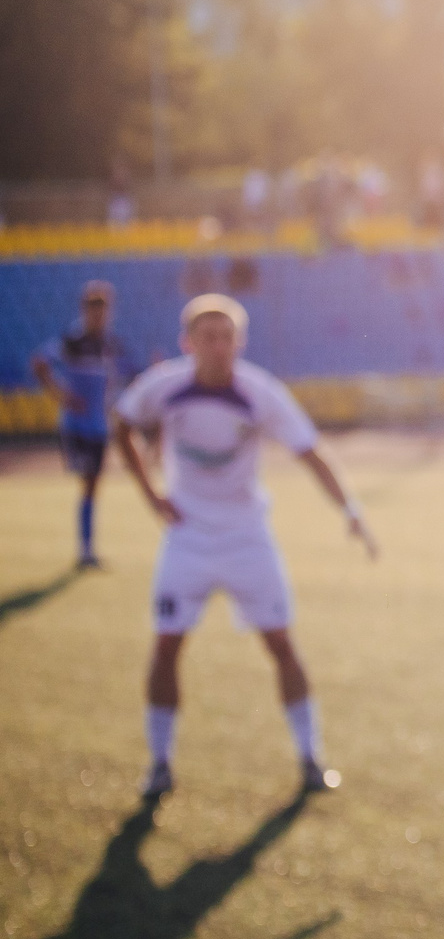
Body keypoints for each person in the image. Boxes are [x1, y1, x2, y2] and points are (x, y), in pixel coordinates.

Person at [112, 295, 378, 797]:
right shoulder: (164, 386)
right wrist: (151, 494)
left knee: (281, 644)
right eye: (207, 337)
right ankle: (159, 764)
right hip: (187, 538)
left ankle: (310, 759)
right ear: (188, 343)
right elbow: (122, 422)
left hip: (247, 537)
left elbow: (309, 452)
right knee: (166, 646)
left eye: (226, 337)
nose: (218, 346)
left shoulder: (261, 392)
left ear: (240, 342)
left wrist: (350, 509)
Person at [30, 280, 134, 568]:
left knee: (93, 484)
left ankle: (87, 549)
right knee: (88, 481)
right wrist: (61, 396)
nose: (99, 316)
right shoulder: (73, 340)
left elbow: (114, 381)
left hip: (100, 425)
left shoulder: (110, 343)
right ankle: (86, 549)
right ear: (85, 311)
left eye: (104, 310)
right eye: (94, 310)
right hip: (77, 425)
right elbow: (40, 362)